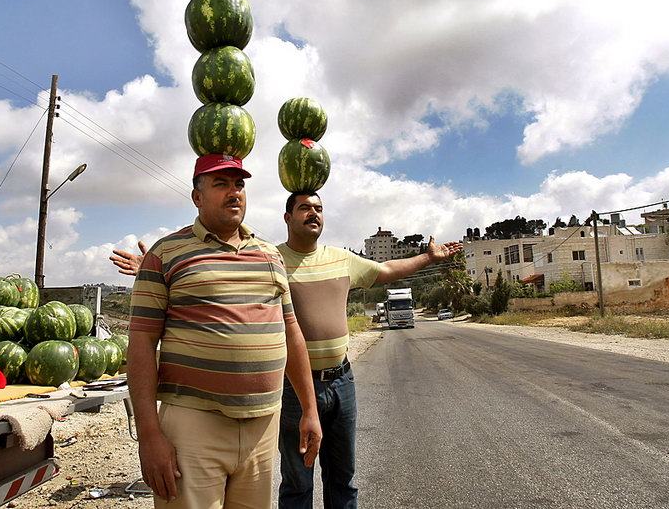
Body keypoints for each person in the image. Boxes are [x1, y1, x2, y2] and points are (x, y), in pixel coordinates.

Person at [112, 190, 463, 509]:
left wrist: (428, 258)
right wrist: (153, 271)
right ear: (287, 218)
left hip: (342, 381)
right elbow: (214, 271)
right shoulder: (268, 256)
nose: (314, 214)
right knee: (297, 483)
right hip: (292, 387)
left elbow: (387, 268)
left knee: (344, 479)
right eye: (305, 208)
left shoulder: (342, 260)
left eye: (319, 208)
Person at [126, 154, 321, 509]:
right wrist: (149, 435)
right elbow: (140, 342)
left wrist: (310, 408)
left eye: (239, 184)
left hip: (263, 427)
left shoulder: (269, 255)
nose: (234, 193)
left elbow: (291, 332)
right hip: (194, 425)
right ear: (197, 196)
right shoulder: (166, 253)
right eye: (221, 184)